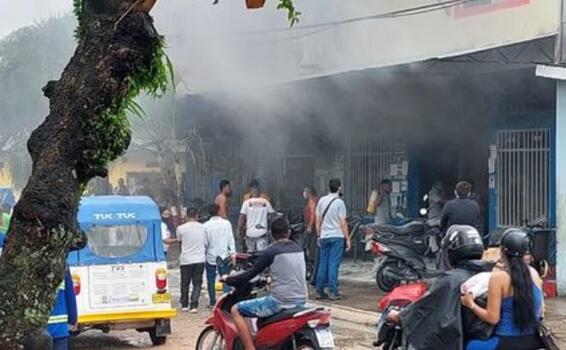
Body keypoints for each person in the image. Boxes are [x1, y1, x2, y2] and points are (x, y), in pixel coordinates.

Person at [388, 225, 490, 350]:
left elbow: (423, 308)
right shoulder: (491, 275)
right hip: (482, 336)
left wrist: (400, 316)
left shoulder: (450, 280)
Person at [227, 216, 308, 350]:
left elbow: (250, 274)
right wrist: (270, 279)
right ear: (288, 232)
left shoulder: (271, 251)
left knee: (236, 310)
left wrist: (230, 279)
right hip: (301, 300)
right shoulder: (298, 248)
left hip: (279, 302)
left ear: (271, 234)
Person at [462, 229, 544, 350]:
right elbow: (541, 310)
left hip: (506, 342)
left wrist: (470, 304)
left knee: (469, 345)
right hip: (533, 340)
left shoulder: (498, 278)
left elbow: (493, 318)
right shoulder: (534, 274)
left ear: (502, 251)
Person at [315, 178, 350, 300]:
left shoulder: (321, 200)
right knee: (333, 265)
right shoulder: (340, 202)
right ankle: (333, 291)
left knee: (323, 264)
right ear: (339, 188)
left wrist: (318, 235)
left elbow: (317, 219)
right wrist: (348, 239)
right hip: (337, 237)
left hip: (324, 236)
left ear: (328, 188)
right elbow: (343, 222)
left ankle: (319, 291)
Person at [204, 203, 236, 308]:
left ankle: (212, 301)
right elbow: (231, 240)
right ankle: (226, 301)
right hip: (224, 255)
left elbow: (205, 243)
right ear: (218, 211)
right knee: (226, 278)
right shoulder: (226, 223)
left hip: (211, 255)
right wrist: (233, 253)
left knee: (210, 279)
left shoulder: (205, 226)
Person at [176, 207, 206, 312]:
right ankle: (194, 305)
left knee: (185, 282)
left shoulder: (180, 228)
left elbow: (180, 243)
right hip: (199, 259)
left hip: (186, 259)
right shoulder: (203, 228)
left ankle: (184, 304)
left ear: (186, 216)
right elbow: (205, 242)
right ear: (197, 216)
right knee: (197, 283)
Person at [237, 183, 275, 253]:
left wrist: (239, 230)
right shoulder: (265, 201)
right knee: (261, 255)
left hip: (250, 234)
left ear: (251, 192)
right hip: (262, 233)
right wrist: (271, 228)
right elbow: (272, 215)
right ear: (259, 192)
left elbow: (242, 217)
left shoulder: (246, 202)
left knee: (250, 254)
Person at [47, 268, 77, 350]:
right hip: (59, 328)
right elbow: (70, 295)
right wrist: (73, 320)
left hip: (35, 331)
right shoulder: (62, 264)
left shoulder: (24, 261)